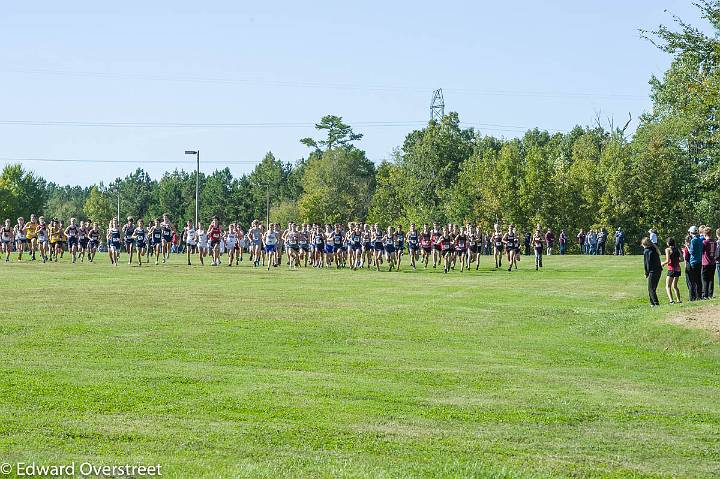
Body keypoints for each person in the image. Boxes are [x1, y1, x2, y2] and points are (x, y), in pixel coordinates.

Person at [661, 237, 682, 304]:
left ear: (667, 243)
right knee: (675, 286)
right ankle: (678, 300)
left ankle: (671, 301)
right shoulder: (677, 249)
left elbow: (667, 260)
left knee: (668, 286)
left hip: (671, 269)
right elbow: (681, 258)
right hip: (678, 269)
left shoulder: (668, 249)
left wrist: (662, 263)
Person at [643, 237, 662, 306]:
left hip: (652, 271)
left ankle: (656, 303)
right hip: (658, 270)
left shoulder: (647, 251)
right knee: (653, 288)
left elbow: (647, 263)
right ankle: (652, 303)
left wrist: (646, 273)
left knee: (651, 289)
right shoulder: (654, 249)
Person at [687, 226, 703, 301]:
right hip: (700, 261)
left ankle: (695, 296)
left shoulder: (693, 240)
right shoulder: (700, 239)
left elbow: (691, 252)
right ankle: (699, 295)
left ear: (691, 232)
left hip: (694, 262)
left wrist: (687, 247)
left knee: (694, 280)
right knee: (699, 279)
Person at [701, 226, 716, 299]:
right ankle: (710, 294)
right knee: (711, 279)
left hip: (706, 262)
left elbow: (702, 251)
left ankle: (705, 294)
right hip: (713, 262)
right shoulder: (714, 242)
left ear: (704, 234)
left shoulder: (704, 242)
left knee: (705, 279)